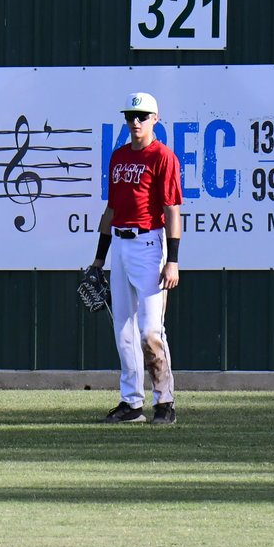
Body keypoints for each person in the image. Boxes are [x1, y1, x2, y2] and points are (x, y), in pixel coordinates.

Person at [89, 92, 181, 425]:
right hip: (121, 244)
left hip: (150, 245)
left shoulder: (163, 157)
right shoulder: (118, 157)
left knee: (150, 333)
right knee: (123, 330)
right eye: (131, 116)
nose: (135, 122)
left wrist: (173, 259)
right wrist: (99, 259)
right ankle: (131, 403)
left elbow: (172, 210)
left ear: (155, 118)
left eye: (142, 116)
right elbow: (111, 210)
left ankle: (165, 401)